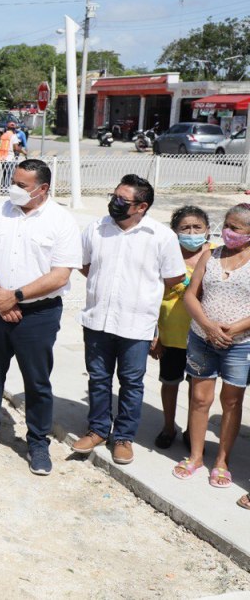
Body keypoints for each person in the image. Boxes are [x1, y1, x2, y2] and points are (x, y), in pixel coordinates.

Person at [0, 159, 83, 475]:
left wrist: (17, 296)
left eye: (21, 185)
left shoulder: (61, 221)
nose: (13, 188)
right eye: (13, 181)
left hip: (38, 314)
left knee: (37, 381)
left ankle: (38, 442)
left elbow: (60, 275)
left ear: (43, 188)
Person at [73, 175, 186, 465]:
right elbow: (85, 266)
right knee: (98, 379)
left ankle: (123, 437)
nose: (114, 202)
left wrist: (138, 294)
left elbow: (173, 277)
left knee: (132, 383)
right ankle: (98, 429)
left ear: (141, 206)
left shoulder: (161, 237)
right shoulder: (96, 228)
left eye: (122, 200)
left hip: (137, 325)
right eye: (114, 196)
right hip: (97, 320)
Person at [178, 204, 250, 493]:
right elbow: (190, 295)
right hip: (202, 339)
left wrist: (233, 329)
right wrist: (208, 326)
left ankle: (222, 460)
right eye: (226, 225)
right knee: (199, 398)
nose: (228, 232)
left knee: (231, 402)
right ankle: (195, 456)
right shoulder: (211, 255)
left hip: (239, 344)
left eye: (235, 228)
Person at [150, 206, 213, 450]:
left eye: (197, 227)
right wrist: (154, 334)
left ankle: (191, 431)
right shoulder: (166, 254)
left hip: (204, 336)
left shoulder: (216, 255)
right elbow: (151, 296)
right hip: (170, 336)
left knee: (198, 388)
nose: (192, 232)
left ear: (207, 229)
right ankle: (168, 427)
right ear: (174, 231)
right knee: (170, 382)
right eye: (185, 228)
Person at [0, 122, 21, 191]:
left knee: (5, 173)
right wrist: (22, 151)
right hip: (10, 158)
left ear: (7, 128)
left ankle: (3, 188)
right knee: (9, 174)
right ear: (14, 129)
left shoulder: (3, 135)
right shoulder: (13, 136)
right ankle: (6, 189)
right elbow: (16, 148)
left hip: (2, 157)